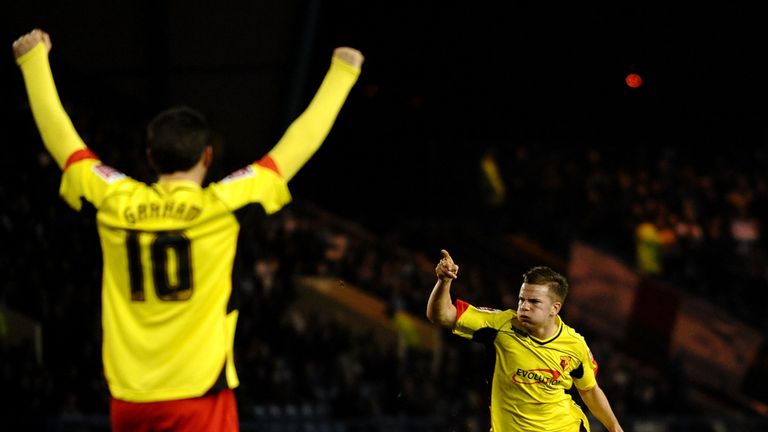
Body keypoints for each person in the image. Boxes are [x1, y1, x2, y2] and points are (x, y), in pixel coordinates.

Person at [13, 28, 363, 431]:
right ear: (207, 155)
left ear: (149, 156)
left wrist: (34, 62)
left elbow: (65, 145)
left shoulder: (113, 200)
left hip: (129, 397)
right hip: (198, 394)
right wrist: (342, 73)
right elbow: (294, 147)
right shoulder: (221, 207)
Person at [427, 249, 623, 432]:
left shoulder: (575, 344)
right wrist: (443, 281)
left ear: (554, 308)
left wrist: (615, 428)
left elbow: (589, 390)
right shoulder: (500, 325)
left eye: (534, 302)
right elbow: (441, 315)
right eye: (521, 299)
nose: (524, 306)